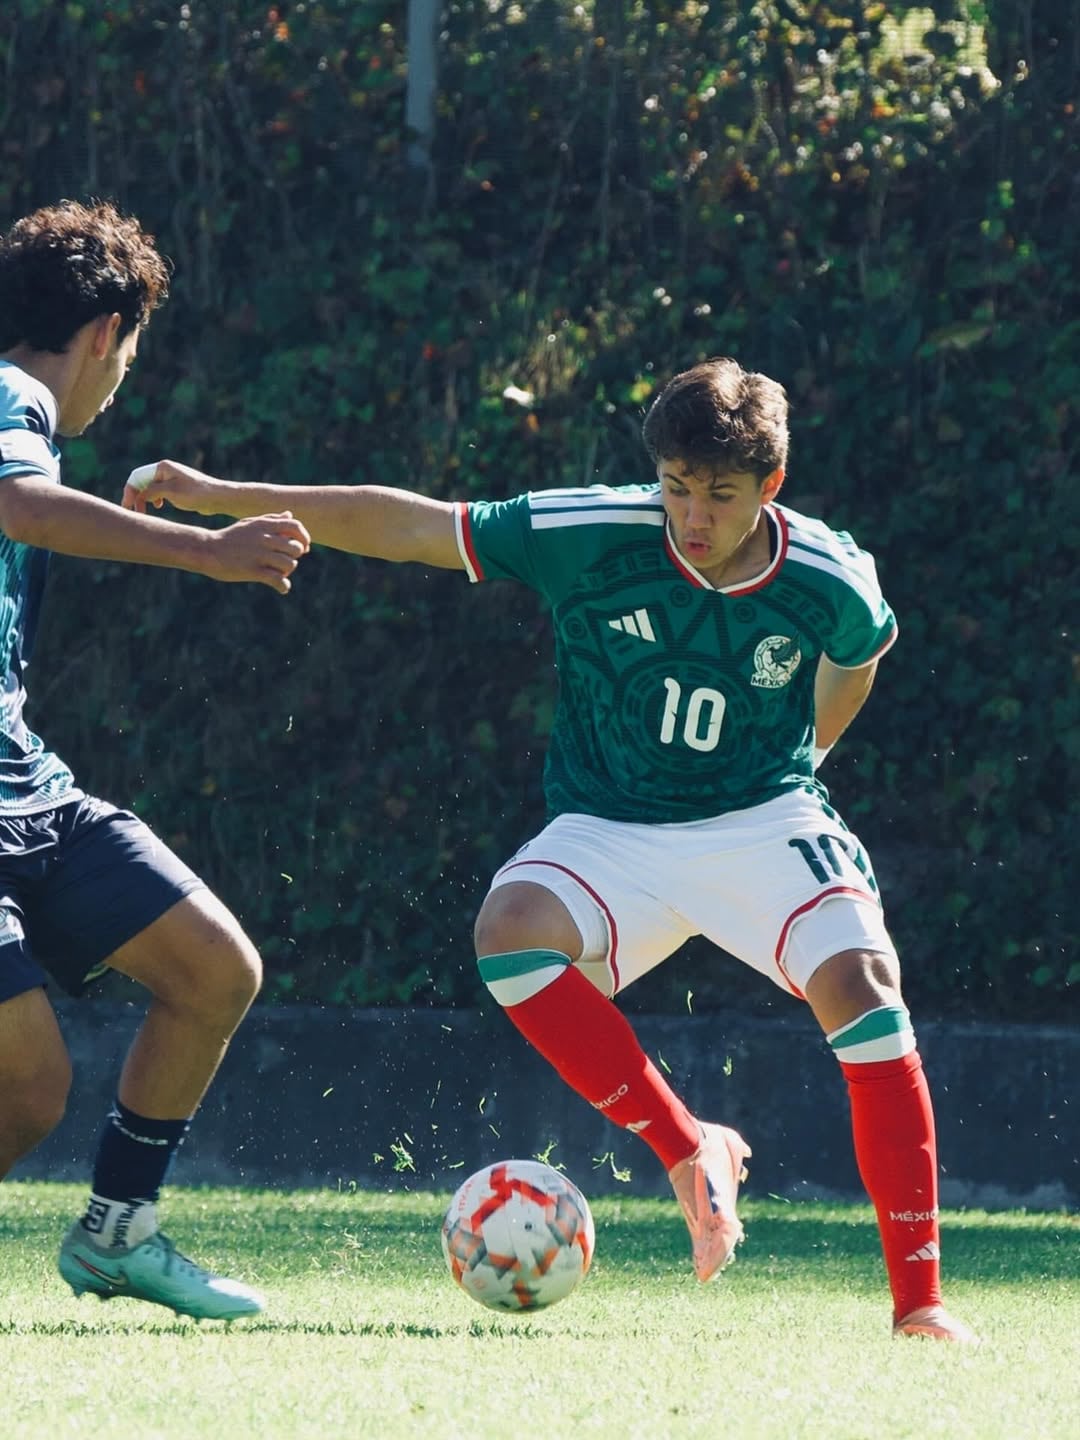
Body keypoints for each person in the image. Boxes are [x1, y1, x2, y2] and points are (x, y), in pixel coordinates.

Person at [125, 355, 976, 1342]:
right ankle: (685, 1141)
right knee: (510, 932)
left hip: (765, 817)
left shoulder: (829, 572)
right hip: (611, 825)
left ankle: (920, 1304)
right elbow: (406, 522)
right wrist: (217, 494)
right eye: (677, 487)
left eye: (721, 494)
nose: (692, 515)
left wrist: (809, 757)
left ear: (770, 488)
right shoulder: (592, 532)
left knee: (866, 985)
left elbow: (859, 658)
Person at [0, 198, 311, 1319]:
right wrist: (210, 550)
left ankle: (119, 1232)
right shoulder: (9, 402)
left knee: (212, 967)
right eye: (129, 353)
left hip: (22, 785)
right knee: (28, 1084)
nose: (121, 380)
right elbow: (23, 508)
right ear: (105, 331)